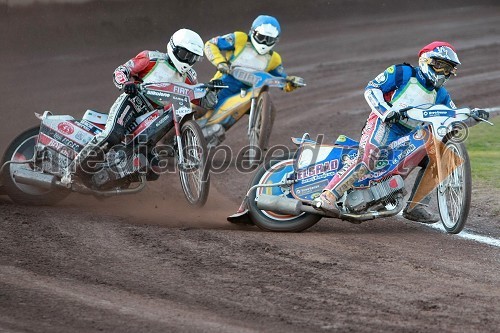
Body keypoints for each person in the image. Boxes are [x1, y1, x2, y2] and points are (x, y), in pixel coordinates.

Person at [317, 41, 489, 223]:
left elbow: (451, 119)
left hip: (409, 134)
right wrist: (386, 111)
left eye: (447, 69)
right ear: (425, 60)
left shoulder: (441, 94)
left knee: (437, 154)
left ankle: (416, 206)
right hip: (383, 124)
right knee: (369, 157)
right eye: (439, 65)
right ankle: (328, 195)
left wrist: (472, 116)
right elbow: (372, 88)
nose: (442, 72)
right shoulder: (402, 72)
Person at [62, 28, 217, 184]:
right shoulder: (151, 59)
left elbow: (202, 100)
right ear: (173, 48)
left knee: (153, 168)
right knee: (112, 135)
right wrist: (126, 83)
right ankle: (72, 172)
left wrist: (213, 90)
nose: (188, 61)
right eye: (185, 55)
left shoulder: (190, 77)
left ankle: (109, 183)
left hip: (156, 117)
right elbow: (121, 70)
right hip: (133, 102)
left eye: (193, 58)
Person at [198, 14, 304, 145]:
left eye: (269, 40)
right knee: (204, 108)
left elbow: (282, 81)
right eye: (261, 37)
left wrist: (292, 82)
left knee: (270, 110)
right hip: (225, 83)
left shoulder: (274, 58)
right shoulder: (239, 38)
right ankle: (184, 129)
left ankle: (260, 145)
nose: (264, 43)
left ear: (275, 41)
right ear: (253, 32)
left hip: (250, 93)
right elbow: (210, 44)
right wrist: (221, 63)